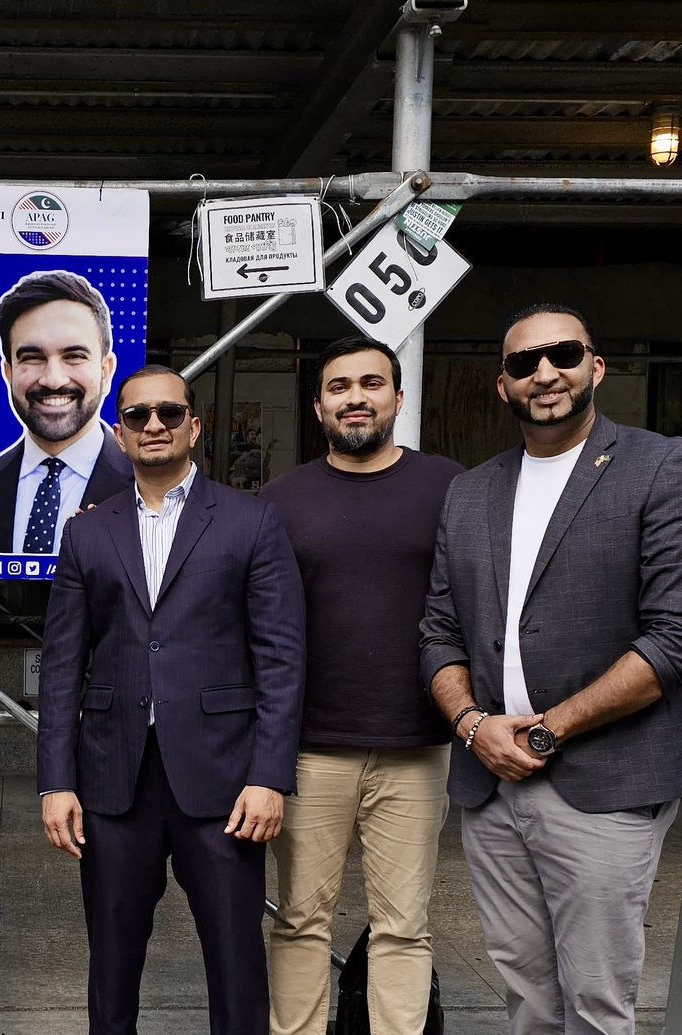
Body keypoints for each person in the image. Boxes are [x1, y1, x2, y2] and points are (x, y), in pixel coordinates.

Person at [420, 303, 682, 1035]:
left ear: (596, 367)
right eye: (523, 363)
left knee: (598, 1004)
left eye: (563, 354)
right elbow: (438, 632)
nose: (545, 373)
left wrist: (543, 732)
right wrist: (474, 727)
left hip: (602, 783)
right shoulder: (470, 491)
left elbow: (672, 640)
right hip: (492, 785)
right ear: (503, 386)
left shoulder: (660, 467)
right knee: (528, 996)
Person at [37, 364, 306, 1035]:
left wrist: (270, 776)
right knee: (112, 965)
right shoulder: (86, 533)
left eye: (167, 412)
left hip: (223, 781)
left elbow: (281, 658)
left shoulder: (253, 521)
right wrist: (55, 783)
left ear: (195, 423)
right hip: (112, 782)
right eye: (137, 416)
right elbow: (64, 665)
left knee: (236, 962)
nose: (153, 425)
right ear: (119, 433)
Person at [259, 335, 461, 1035]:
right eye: (339, 386)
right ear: (319, 406)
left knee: (404, 926)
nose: (356, 397)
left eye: (371, 383)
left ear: (398, 398)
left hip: (417, 743)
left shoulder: (447, 486)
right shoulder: (281, 499)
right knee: (300, 923)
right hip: (310, 747)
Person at [0, 270, 133, 553]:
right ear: (8, 373)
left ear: (106, 371)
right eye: (33, 358)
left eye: (74, 356)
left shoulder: (148, 491)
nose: (53, 379)